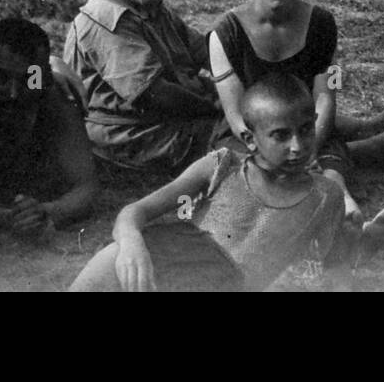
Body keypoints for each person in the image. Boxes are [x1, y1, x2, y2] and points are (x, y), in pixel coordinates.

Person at [69, 74, 356, 291]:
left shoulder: (324, 195)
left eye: (306, 130)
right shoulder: (223, 165)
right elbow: (133, 213)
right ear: (250, 139)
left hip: (220, 285)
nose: (297, 146)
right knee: (111, 258)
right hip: (165, 254)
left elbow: (337, 266)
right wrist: (132, 245)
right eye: (281, 136)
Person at [207, 0, 384, 247]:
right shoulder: (226, 33)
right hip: (249, 137)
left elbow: (325, 94)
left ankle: (347, 222)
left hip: (308, 129)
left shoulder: (321, 23)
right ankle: (313, 233)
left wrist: (309, 146)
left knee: (331, 171)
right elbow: (235, 114)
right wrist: (272, 149)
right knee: (256, 181)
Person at [64, 0, 219, 175]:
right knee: (238, 137)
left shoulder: (153, 9)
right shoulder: (107, 16)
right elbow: (153, 94)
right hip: (130, 136)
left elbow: (207, 52)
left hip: (163, 122)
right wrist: (215, 104)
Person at [0, 18, 98, 237]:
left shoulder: (50, 96)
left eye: (28, 79)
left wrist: (47, 212)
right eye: (1, 77)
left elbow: (87, 187)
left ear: (43, 74)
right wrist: (6, 218)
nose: (13, 93)